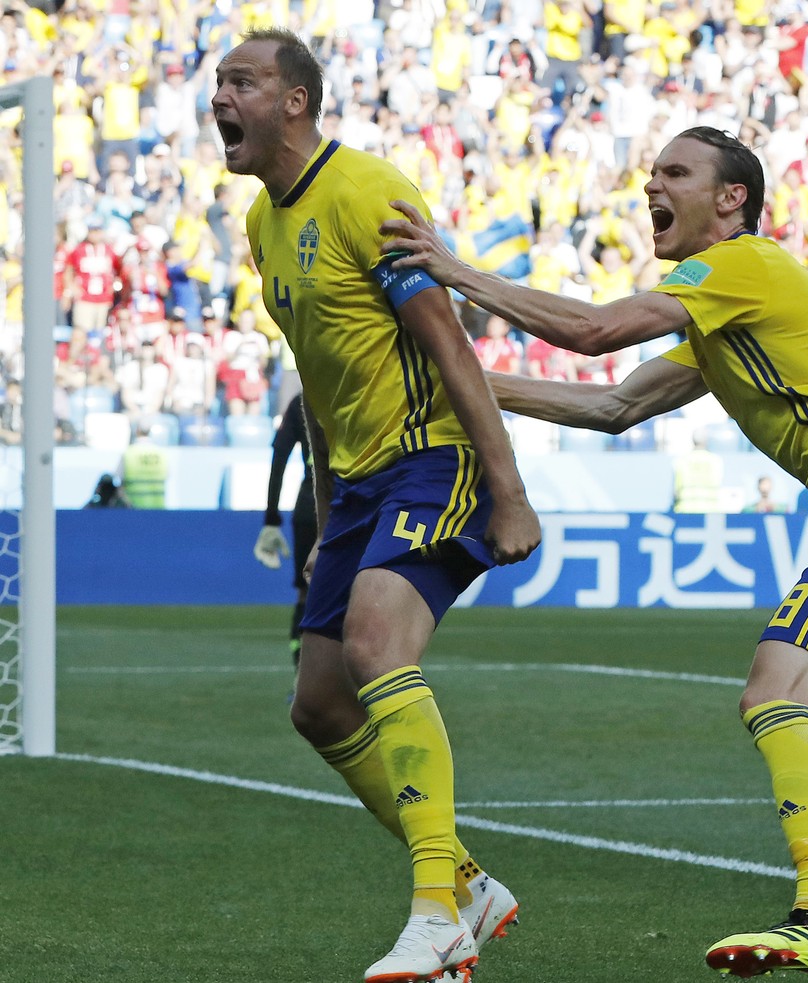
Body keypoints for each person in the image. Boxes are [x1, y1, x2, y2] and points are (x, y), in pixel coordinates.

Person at [382, 125, 808, 983]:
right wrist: (459, 386)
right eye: (651, 171)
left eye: (675, 172)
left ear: (730, 199)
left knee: (774, 694)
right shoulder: (727, 310)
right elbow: (614, 406)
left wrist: (453, 268)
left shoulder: (741, 265)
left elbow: (592, 331)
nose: (651, 185)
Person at [212, 29, 541, 981]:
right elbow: (318, 380)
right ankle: (472, 882)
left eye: (243, 81)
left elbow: (451, 346)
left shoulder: (368, 192)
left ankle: (438, 914)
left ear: (297, 101)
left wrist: (506, 489)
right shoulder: (265, 225)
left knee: (376, 648)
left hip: (433, 458)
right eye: (218, 83)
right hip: (358, 482)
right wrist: (323, 522)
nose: (221, 99)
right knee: (318, 705)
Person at [254, 391, 317, 673]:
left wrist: (271, 518)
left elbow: (279, 457)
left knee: (306, 592)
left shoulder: (301, 401)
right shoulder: (353, 388)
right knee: (353, 590)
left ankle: (301, 677)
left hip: (308, 507)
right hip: (349, 504)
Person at [672, 426, 725, 512]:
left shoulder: (681, 461)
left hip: (685, 510)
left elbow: (676, 491)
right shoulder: (716, 461)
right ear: (706, 440)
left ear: (692, 440)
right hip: (710, 511)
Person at [119, 421, 169, 509]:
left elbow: (118, 479)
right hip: (158, 509)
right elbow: (167, 475)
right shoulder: (161, 453)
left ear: (137, 431)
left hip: (135, 509)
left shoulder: (129, 453)